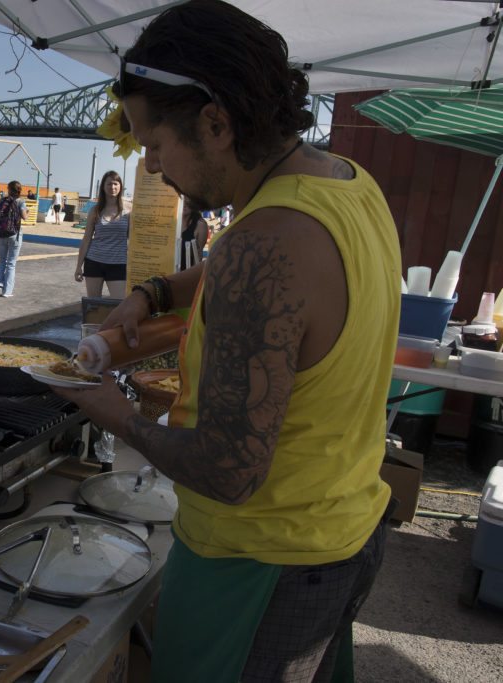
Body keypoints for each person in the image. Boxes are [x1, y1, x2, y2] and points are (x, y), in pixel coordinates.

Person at [54, 1, 401, 680]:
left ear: (215, 122)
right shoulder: (347, 185)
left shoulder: (263, 243)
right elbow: (248, 274)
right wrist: (151, 292)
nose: (149, 165)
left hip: (258, 566)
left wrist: (111, 410)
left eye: (154, 143)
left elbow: (229, 470)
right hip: (342, 532)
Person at [74, 171, 129, 298]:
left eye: (115, 184)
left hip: (118, 264)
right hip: (94, 262)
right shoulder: (95, 210)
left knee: (119, 304)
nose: (112, 187)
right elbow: (87, 239)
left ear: (120, 186)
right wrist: (78, 266)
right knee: (93, 306)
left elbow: (132, 239)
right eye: (109, 184)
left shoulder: (128, 210)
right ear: (103, 187)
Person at [0, 180, 28, 297]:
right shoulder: (21, 202)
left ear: (9, 189)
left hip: (1, 234)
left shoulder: (2, 201)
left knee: (2, 260)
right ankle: (7, 291)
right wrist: (28, 212)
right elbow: (24, 217)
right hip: (14, 234)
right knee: (11, 263)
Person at [178, 201, 210, 270]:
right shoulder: (170, 222)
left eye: (187, 201)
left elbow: (198, 255)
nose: (184, 205)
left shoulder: (200, 225)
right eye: (181, 201)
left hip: (186, 274)